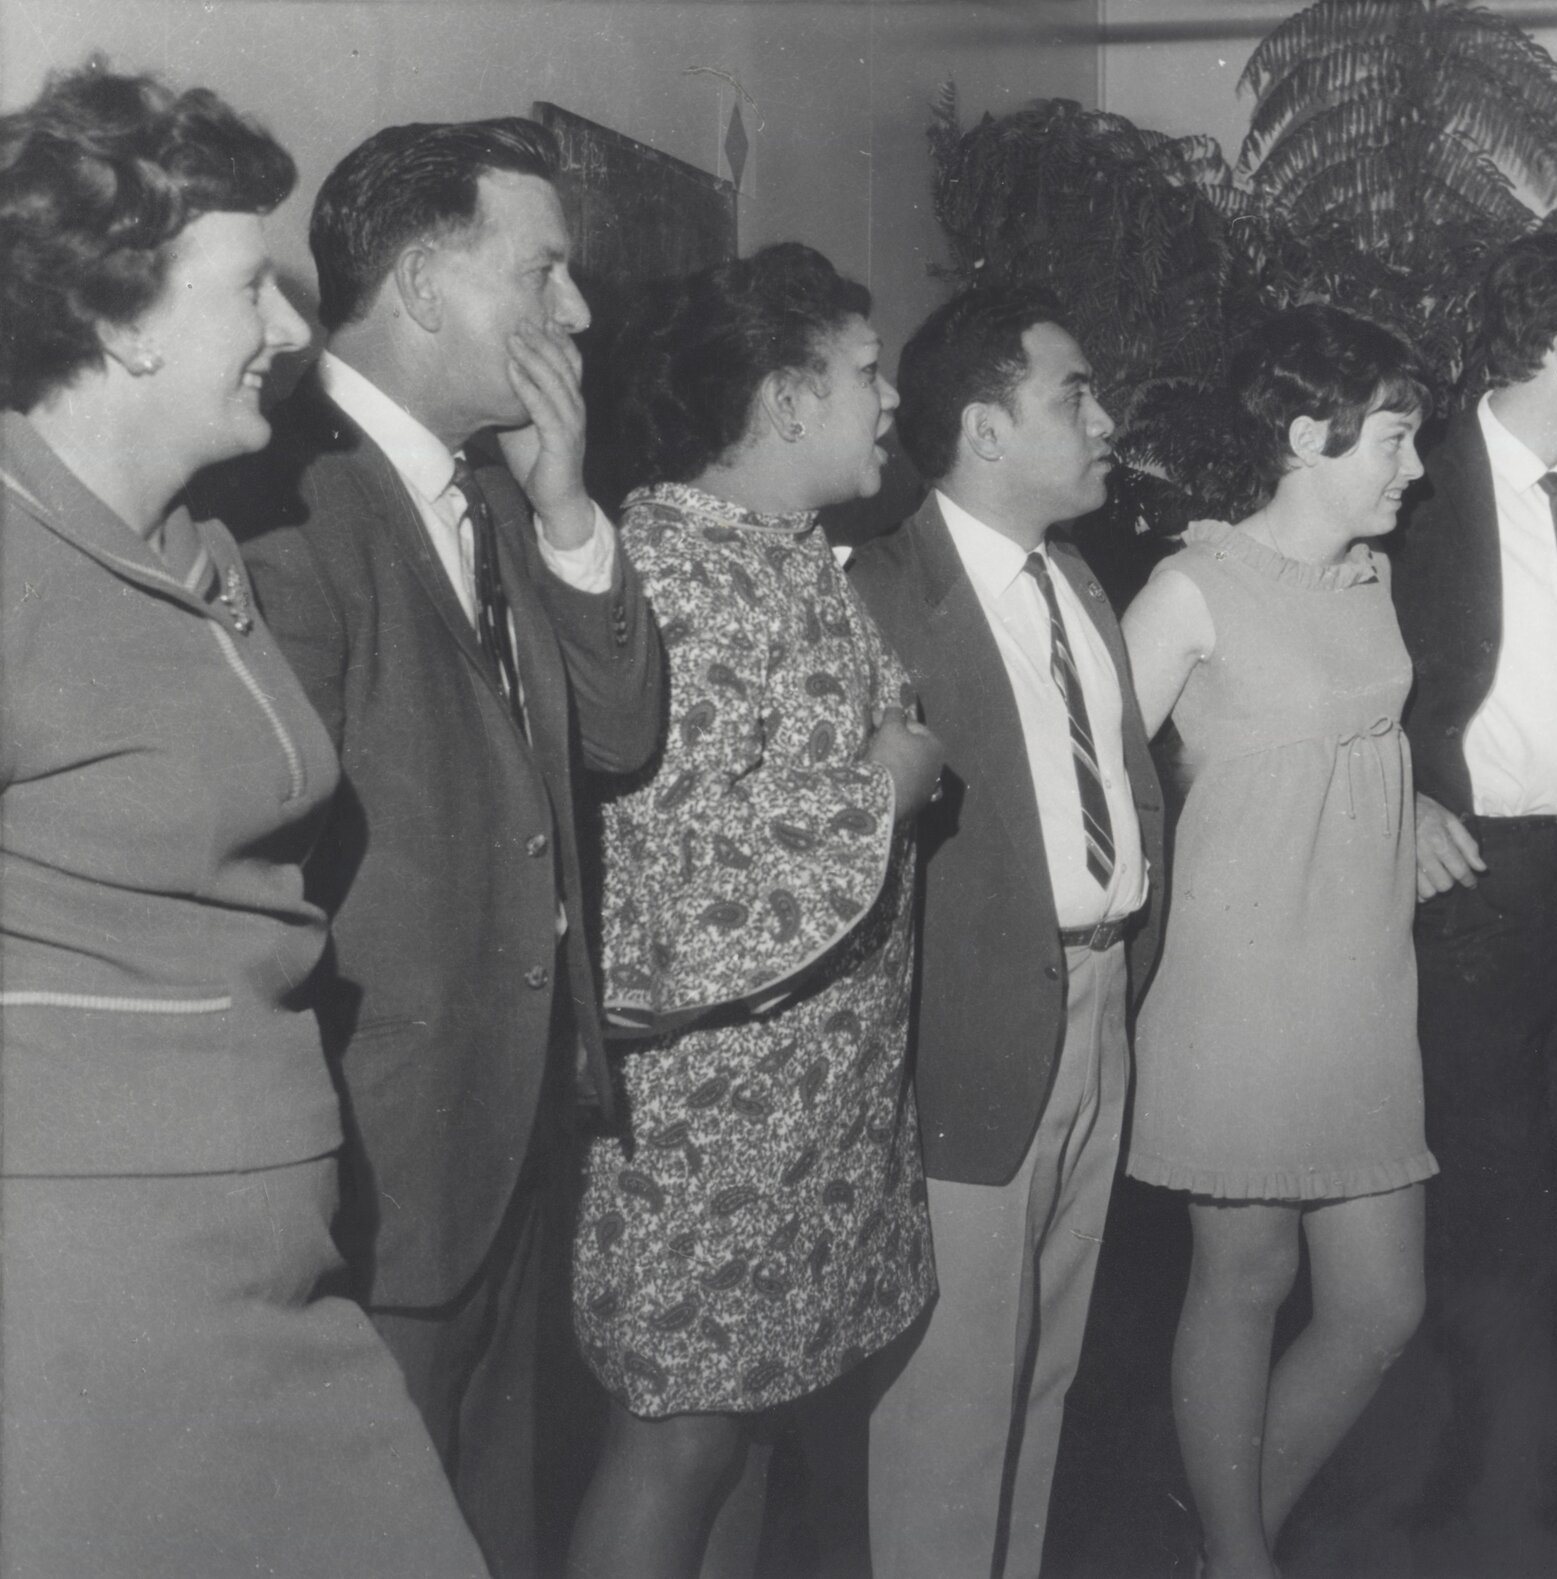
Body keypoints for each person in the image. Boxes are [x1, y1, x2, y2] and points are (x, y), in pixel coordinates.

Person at [0, 65, 486, 1579]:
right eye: (248, 290)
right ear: (121, 318)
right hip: (95, 1292)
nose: (291, 331)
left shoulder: (206, 545)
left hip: (277, 1242)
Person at [204, 117, 664, 1575]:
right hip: (373, 1169)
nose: (574, 313)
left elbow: (617, 733)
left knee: (488, 1525)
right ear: (418, 286)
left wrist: (571, 504)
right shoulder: (283, 495)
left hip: (506, 1132)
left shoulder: (492, 491)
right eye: (541, 273)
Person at [562, 243, 942, 1579]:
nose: (887, 400)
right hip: (713, 1113)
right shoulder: (685, 575)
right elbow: (679, 903)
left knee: (731, 1444)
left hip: (797, 1110)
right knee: (674, 1444)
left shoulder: (778, 556)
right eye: (860, 372)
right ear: (782, 398)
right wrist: (886, 790)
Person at [849, 285, 1166, 1579]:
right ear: (984, 427)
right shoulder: (877, 593)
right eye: (1071, 394)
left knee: (1042, 1377)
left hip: (1094, 1014)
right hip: (969, 1043)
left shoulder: (1075, 576)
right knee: (950, 1405)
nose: (1103, 420)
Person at [1117, 304, 1437, 1577]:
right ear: (1309, 435)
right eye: (1395, 442)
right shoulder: (1190, 589)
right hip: (1239, 975)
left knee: (1378, 1308)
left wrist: (1412, 800)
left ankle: (1225, 1526)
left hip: (1363, 970)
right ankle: (1240, 1555)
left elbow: (1350, 731)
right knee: (1241, 1280)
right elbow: (1097, 784)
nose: (1413, 470)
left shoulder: (1372, 574)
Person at [1387, 231, 1557, 1553]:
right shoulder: (1415, 475)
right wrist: (1398, 792)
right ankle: (1466, 1469)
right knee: (1478, 1189)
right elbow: (1325, 651)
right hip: (1475, 882)